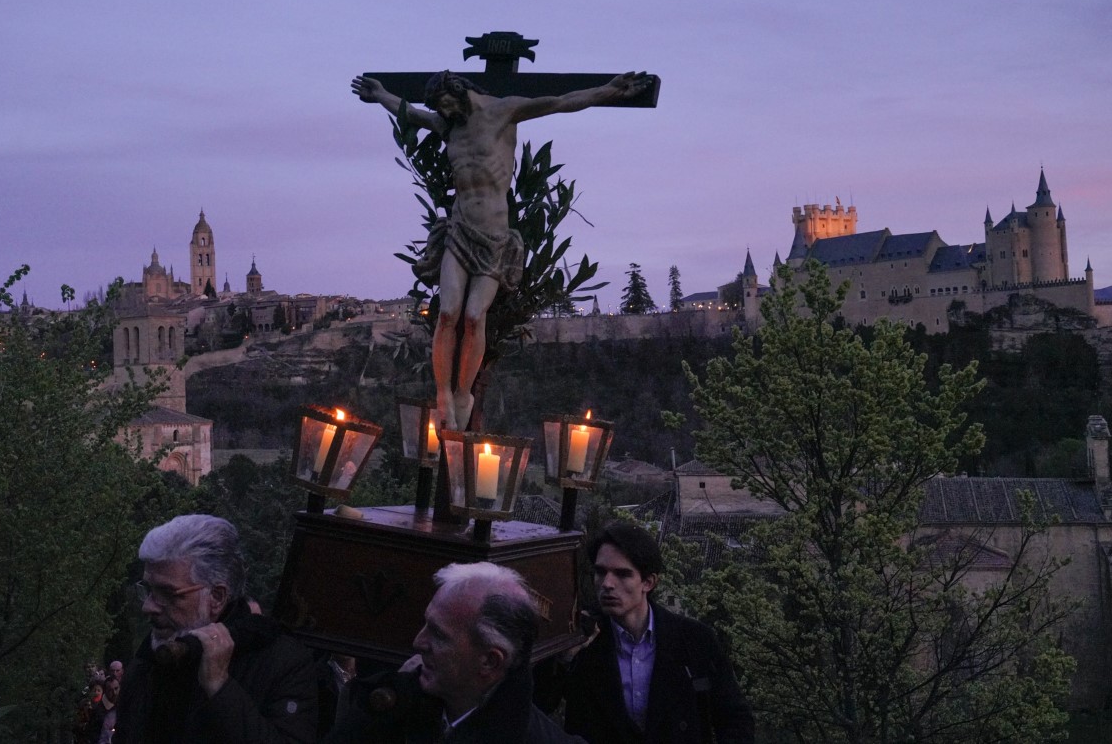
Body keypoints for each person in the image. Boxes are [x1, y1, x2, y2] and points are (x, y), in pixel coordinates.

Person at [352, 69, 651, 432]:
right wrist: (381, 94)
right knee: (447, 312)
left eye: (447, 104)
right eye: (440, 109)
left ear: (459, 92)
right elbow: (410, 113)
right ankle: (443, 392)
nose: (444, 113)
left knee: (475, 316)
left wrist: (608, 91)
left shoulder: (503, 112)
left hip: (494, 236)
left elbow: (560, 102)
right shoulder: (448, 126)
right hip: (459, 231)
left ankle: (464, 392)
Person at [326, 561, 585, 743]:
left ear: (489, 661)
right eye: (425, 623)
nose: (418, 642)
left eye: (438, 635)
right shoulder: (389, 704)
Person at [113, 514, 317, 744]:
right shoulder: (147, 662)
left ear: (217, 597)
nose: (147, 606)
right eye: (149, 590)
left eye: (168, 594)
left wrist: (221, 688)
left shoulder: (283, 663)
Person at [552, 522, 754, 744]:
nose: (607, 584)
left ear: (648, 582)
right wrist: (564, 662)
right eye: (600, 572)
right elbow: (537, 709)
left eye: (622, 574)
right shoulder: (579, 638)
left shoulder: (695, 640)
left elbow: (734, 718)